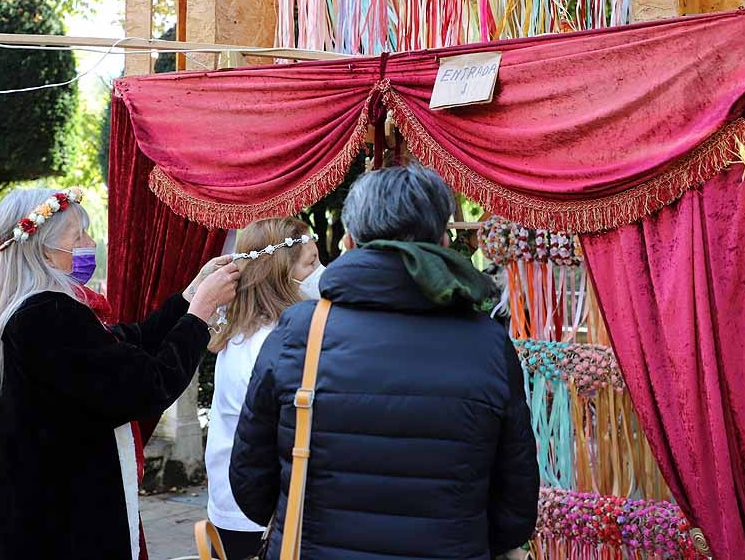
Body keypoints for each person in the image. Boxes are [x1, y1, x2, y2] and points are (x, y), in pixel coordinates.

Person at [230, 165, 540, 560]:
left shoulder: (300, 333)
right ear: (444, 239)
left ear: (349, 241)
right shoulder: (488, 343)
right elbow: (515, 508)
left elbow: (250, 486)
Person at [0, 187, 239, 560]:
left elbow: (128, 343)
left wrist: (188, 298)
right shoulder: (48, 315)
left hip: (42, 513)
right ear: (44, 248)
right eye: (78, 235)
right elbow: (147, 384)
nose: (90, 243)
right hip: (59, 523)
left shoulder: (36, 310)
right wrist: (201, 314)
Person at [205, 218, 323, 560]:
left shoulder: (247, 328)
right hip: (255, 511)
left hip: (237, 501)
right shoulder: (270, 342)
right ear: (280, 273)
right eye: (311, 262)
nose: (321, 271)